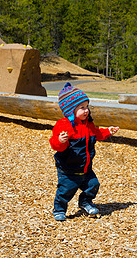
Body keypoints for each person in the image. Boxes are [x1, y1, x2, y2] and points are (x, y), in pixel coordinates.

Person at [49, 82, 119, 221]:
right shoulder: (64, 125)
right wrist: (61, 140)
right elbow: (55, 144)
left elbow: (97, 134)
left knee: (93, 185)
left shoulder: (88, 124)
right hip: (68, 168)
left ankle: (85, 202)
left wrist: (108, 132)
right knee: (65, 190)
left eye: (87, 106)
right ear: (71, 110)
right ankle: (59, 209)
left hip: (86, 167)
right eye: (82, 108)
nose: (86, 110)